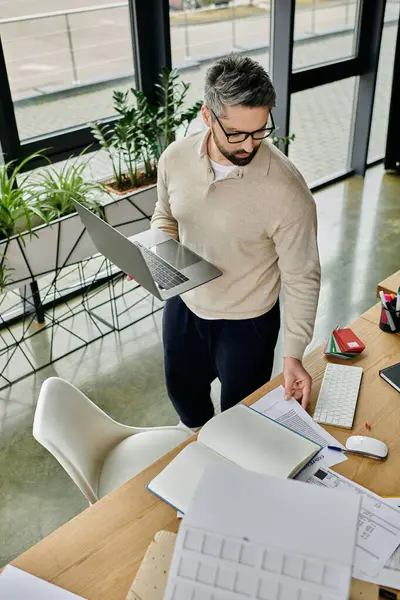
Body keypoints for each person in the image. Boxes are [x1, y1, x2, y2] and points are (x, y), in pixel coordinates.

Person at [151, 54, 320, 430]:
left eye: (260, 131)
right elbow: (165, 214)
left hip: (248, 323)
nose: (249, 145)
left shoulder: (288, 191)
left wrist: (294, 354)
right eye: (236, 134)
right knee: (184, 398)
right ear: (207, 116)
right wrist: (157, 253)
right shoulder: (175, 158)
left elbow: (302, 275)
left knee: (241, 420)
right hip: (185, 303)